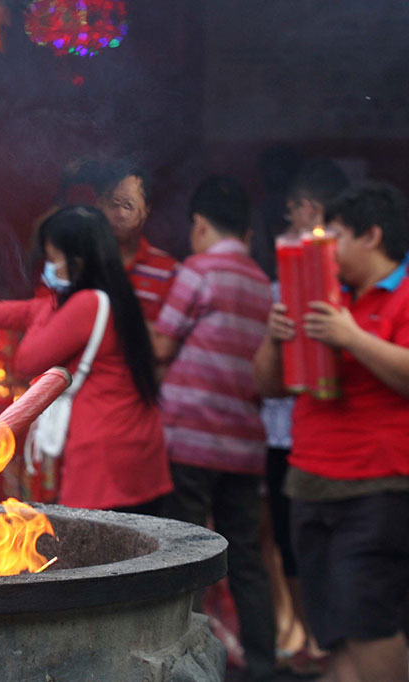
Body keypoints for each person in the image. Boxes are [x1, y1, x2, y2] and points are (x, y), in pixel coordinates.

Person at [252, 182, 409, 682]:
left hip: (378, 486)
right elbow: (269, 386)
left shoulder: (404, 293)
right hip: (309, 483)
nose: (327, 250)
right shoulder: (327, 295)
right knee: (331, 628)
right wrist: (275, 338)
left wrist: (352, 338)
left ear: (372, 236)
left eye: (336, 236)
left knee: (369, 621)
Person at [0, 206, 172, 512]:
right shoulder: (111, 293)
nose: (47, 269)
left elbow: (27, 360)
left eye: (53, 260)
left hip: (105, 457)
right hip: (137, 446)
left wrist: (45, 312)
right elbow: (22, 311)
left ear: (77, 262)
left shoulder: (86, 304)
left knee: (95, 540)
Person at [152, 175, 275, 682]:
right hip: (243, 444)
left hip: (189, 437)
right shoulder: (263, 282)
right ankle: (264, 665)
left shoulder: (197, 271)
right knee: (246, 557)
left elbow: (162, 345)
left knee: (185, 557)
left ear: (199, 225)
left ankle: (185, 666)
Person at [258, 158, 347, 674]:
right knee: (294, 539)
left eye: (294, 206)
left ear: (311, 208)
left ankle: (326, 638)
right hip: (288, 431)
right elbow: (268, 378)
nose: (289, 215)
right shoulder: (286, 271)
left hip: (337, 440)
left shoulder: (345, 279)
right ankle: (310, 635)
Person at [96, 163, 178, 323]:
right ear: (99, 204)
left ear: (145, 211)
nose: (120, 214)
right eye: (114, 204)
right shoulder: (80, 258)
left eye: (129, 206)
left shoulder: (168, 271)